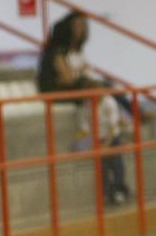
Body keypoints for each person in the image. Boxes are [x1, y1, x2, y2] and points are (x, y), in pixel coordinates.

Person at [37, 11, 132, 204]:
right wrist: (83, 74)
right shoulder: (57, 52)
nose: (81, 31)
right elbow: (67, 79)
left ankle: (117, 188)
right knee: (104, 88)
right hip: (57, 91)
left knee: (105, 89)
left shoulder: (69, 52)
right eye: (77, 26)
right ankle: (131, 114)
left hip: (85, 106)